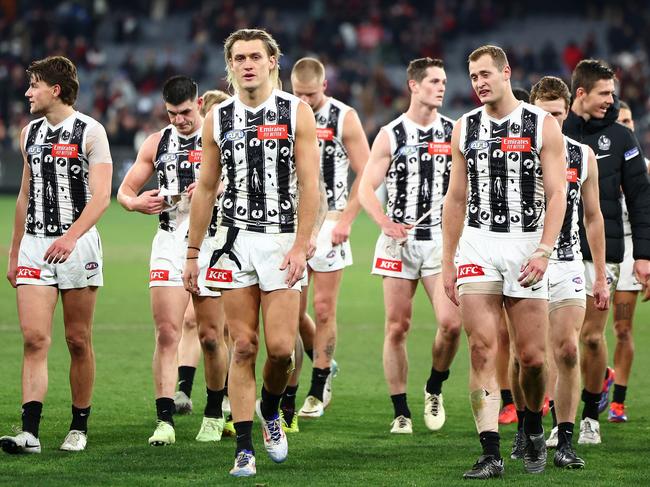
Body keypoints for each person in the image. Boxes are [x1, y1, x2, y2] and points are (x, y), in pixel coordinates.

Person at [182, 28, 320, 477]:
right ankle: (244, 447)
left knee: (281, 351)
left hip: (282, 242)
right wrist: (192, 252)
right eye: (239, 57)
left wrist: (302, 243)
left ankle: (271, 407)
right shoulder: (217, 118)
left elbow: (310, 184)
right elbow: (204, 189)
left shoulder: (296, 112)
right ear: (230, 65)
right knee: (243, 345)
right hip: (233, 241)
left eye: (255, 56)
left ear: (272, 61)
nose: (247, 64)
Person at [442, 45, 567, 478]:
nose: (478, 83)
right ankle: (490, 451)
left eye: (484, 74)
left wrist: (545, 249)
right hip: (477, 245)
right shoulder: (464, 127)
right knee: (481, 349)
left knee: (532, 358)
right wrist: (448, 260)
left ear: (506, 72)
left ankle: (532, 425)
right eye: (472, 76)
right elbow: (456, 198)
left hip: (525, 244)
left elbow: (557, 194)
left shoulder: (542, 125)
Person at [1, 56, 113, 454]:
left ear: (56, 90)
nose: (28, 92)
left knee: (78, 340)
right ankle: (29, 431)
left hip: (77, 246)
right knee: (34, 339)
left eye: (34, 85)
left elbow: (101, 197)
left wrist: (70, 236)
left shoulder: (90, 132)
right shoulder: (28, 133)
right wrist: (15, 251)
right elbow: (25, 195)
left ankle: (78, 424)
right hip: (34, 244)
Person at [117, 76, 228, 446]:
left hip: (212, 242)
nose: (179, 120)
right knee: (167, 332)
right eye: (171, 114)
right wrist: (135, 203)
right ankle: (164, 420)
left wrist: (215, 186)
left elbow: (241, 182)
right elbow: (124, 191)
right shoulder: (157, 142)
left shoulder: (218, 135)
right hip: (168, 239)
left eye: (184, 112)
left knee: (211, 336)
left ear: (198, 104)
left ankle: (214, 413)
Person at [358, 58, 462, 435]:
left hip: (439, 242)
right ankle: (401, 411)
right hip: (398, 244)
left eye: (444, 81)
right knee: (397, 326)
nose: (441, 87)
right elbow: (366, 188)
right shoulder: (390, 134)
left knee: (451, 324)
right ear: (413, 86)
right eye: (434, 81)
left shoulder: (453, 132)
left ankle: (434, 386)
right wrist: (385, 222)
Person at [563, 60, 650, 444]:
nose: (610, 100)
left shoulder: (621, 138)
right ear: (580, 93)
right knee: (562, 341)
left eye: (612, 94)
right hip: (559, 251)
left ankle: (589, 417)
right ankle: (556, 421)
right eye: (604, 93)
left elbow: (641, 198)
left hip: (605, 254)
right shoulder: (556, 130)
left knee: (592, 338)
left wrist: (644, 254)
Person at [527, 76, 609, 469]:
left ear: (567, 112)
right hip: (526, 264)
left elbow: (593, 217)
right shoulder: (518, 153)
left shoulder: (582, 155)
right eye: (544, 115)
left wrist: (599, 274)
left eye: (558, 114)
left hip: (567, 263)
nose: (552, 122)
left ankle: (565, 440)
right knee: (532, 358)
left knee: (568, 350)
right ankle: (530, 431)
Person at [283, 57, 369, 423]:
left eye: (311, 95)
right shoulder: (282, 113)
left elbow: (366, 172)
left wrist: (347, 219)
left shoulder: (343, 117)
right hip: (295, 221)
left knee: (323, 308)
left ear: (325, 88)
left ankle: (317, 389)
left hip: (331, 220)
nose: (304, 101)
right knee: (292, 310)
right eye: (298, 94)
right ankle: (325, 360)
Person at [173, 89, 230, 416]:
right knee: (194, 321)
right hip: (199, 242)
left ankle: (226, 395)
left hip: (229, 242)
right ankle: (185, 389)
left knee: (228, 330)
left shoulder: (234, 150)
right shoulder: (194, 149)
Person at [605, 100, 650, 423]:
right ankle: (601, 375)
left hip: (631, 249)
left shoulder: (645, 168)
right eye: (622, 120)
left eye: (630, 119)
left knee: (622, 329)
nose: (628, 125)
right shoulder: (600, 161)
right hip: (601, 248)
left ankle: (618, 400)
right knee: (585, 335)